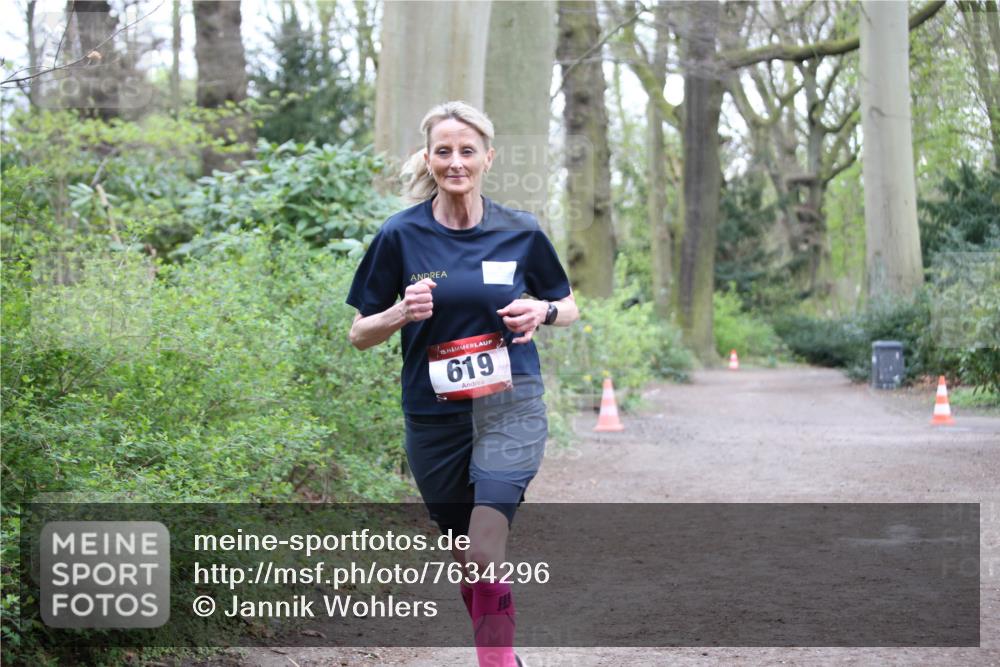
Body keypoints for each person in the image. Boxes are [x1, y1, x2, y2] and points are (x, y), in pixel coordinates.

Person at [346, 100, 578, 667]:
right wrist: (400, 313)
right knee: (467, 555)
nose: (455, 162)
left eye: (467, 151)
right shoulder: (399, 235)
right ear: (429, 158)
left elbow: (568, 305)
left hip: (510, 406)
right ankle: (504, 656)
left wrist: (541, 314)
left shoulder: (520, 232)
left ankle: (495, 663)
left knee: (483, 546)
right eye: (443, 151)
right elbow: (359, 332)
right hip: (435, 417)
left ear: (487, 158)